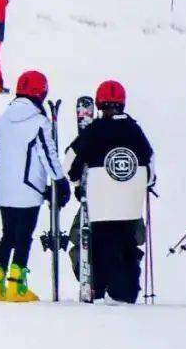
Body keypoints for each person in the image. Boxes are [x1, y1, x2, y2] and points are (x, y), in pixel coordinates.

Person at [66, 81, 155, 304]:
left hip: (100, 201)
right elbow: (151, 166)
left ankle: (101, 287)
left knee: (102, 244)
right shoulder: (135, 129)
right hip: (131, 204)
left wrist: (78, 184)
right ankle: (126, 290)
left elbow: (70, 161)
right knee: (126, 242)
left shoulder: (95, 130)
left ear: (99, 104)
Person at [0, 70, 68, 302]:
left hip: (4, 190)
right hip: (30, 190)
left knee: (7, 236)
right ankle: (16, 286)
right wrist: (59, 181)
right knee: (24, 237)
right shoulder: (39, 122)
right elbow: (48, 154)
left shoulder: (1, 120)